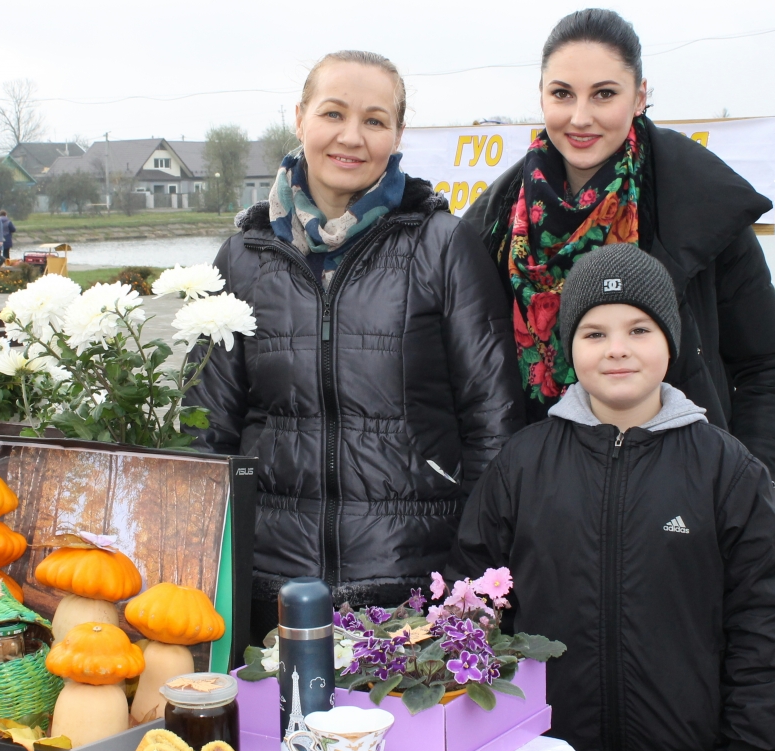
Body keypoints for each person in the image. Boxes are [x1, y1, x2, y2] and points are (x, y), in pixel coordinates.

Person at [448, 244, 775, 751]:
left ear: (670, 342)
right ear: (568, 348)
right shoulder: (523, 463)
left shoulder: (724, 467)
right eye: (594, 333)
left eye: (639, 329)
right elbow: (477, 598)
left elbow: (769, 620)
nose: (617, 349)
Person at [186, 50, 523, 638]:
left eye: (374, 120)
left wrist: (469, 572)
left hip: (412, 583)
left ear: (397, 133)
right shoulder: (243, 256)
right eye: (333, 113)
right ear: (300, 118)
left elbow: (491, 421)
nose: (351, 137)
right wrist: (202, 567)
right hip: (271, 584)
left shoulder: (441, 245)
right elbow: (206, 426)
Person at [463, 8, 775, 506]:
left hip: (680, 500)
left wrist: (755, 488)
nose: (581, 117)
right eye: (562, 94)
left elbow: (768, 365)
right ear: (541, 98)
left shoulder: (703, 205)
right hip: (538, 503)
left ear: (640, 95)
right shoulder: (492, 224)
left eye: (604, 94)